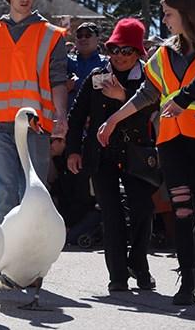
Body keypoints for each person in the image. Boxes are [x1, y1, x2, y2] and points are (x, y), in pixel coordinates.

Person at [98, 0, 195, 305]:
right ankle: (187, 279)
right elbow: (147, 94)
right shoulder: (162, 55)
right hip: (172, 141)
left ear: (187, 14)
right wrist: (115, 119)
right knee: (183, 210)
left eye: (168, 14)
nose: (164, 20)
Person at [66, 18, 157, 292]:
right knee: (112, 214)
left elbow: (156, 111)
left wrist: (124, 96)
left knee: (144, 210)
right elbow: (78, 115)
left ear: (139, 52)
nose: (118, 56)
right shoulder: (97, 75)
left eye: (126, 50)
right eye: (114, 49)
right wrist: (72, 150)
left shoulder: (148, 78)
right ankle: (117, 276)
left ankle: (139, 265)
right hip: (101, 156)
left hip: (138, 154)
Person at [0, 0, 69, 222]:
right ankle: (4, 258)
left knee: (32, 192)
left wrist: (62, 116)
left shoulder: (50, 34)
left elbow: (58, 79)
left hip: (35, 125)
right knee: (4, 194)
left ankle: (32, 256)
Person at [67, 22, 107, 107]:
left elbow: (105, 86)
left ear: (97, 39)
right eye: (79, 36)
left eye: (88, 35)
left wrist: (76, 83)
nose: (83, 39)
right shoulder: (66, 61)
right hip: (68, 116)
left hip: (96, 116)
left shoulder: (106, 62)